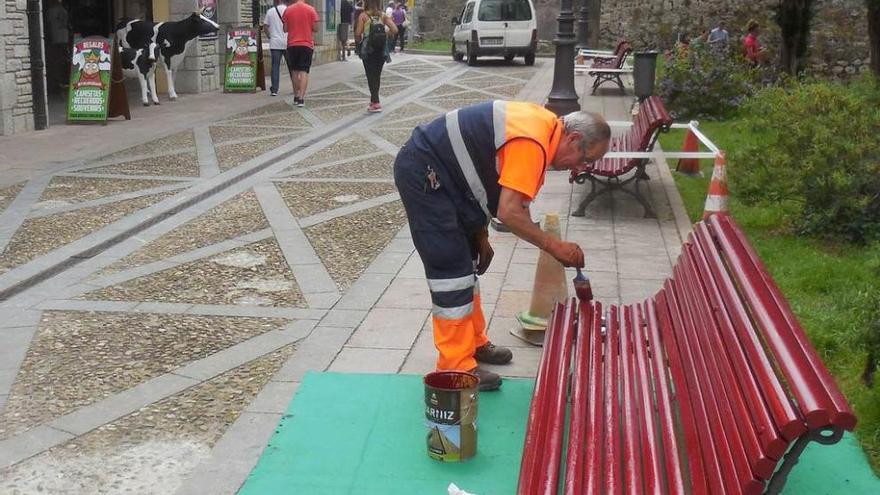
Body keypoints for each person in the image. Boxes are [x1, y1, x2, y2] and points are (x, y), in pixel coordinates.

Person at [393, 101, 611, 391]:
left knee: (467, 260)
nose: (580, 168)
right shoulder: (533, 142)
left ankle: (474, 343)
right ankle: (456, 368)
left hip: (450, 177)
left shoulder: (543, 130)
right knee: (451, 269)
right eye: (585, 159)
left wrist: (480, 235)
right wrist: (554, 247)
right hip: (426, 171)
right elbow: (510, 212)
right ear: (572, 139)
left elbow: (485, 179)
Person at [355, 0, 396, 112]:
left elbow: (358, 33)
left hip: (368, 50)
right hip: (381, 49)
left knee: (370, 75)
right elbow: (395, 29)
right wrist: (385, 35)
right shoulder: (383, 16)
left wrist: (360, 42)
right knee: (377, 75)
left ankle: (376, 102)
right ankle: (374, 101)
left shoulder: (363, 16)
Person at [282, 0, 319, 107]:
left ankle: (296, 96)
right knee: (304, 72)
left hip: (292, 44)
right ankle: (301, 99)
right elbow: (316, 28)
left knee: (294, 72)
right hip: (306, 45)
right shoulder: (311, 9)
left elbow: (285, 29)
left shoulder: (288, 10)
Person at [263, 0, 288, 96]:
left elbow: (265, 27)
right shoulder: (289, 10)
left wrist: (270, 36)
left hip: (275, 42)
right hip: (287, 42)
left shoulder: (270, 11)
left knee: (275, 66)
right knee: (291, 66)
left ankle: (274, 89)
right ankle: (296, 88)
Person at [45, 0, 70, 92]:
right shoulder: (63, 10)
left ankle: (58, 81)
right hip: (63, 37)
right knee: (63, 59)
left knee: (56, 60)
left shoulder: (51, 11)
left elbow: (48, 24)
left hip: (55, 38)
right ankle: (62, 80)